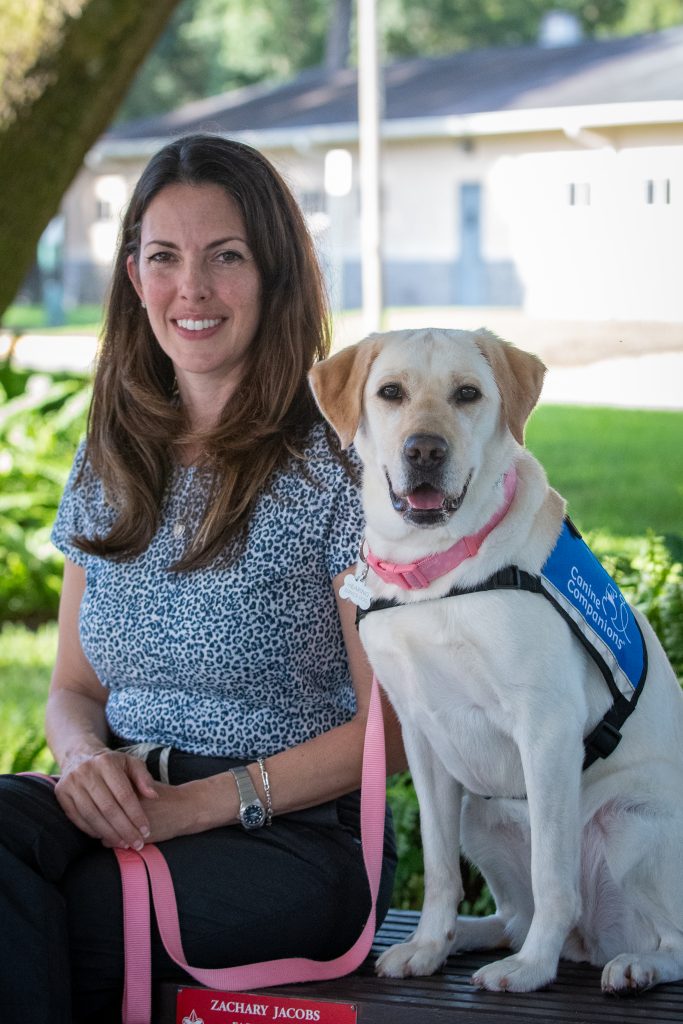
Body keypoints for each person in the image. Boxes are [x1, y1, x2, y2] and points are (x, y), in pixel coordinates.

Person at [0, 133, 403, 1024]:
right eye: (164, 258)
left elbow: (393, 728)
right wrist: (83, 762)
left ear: (275, 276)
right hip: (123, 805)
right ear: (134, 277)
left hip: (291, 839)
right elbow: (72, 686)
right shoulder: (107, 454)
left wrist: (195, 809)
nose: (193, 289)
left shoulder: (337, 467)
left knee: (71, 920)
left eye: (227, 257)